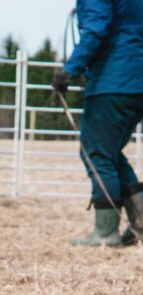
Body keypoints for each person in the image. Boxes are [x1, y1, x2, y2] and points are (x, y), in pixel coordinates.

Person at [52, 0, 143, 246]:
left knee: (97, 153)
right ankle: (141, 225)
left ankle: (105, 234)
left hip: (113, 80)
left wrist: (70, 69)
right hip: (136, 79)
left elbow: (96, 28)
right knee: (111, 153)